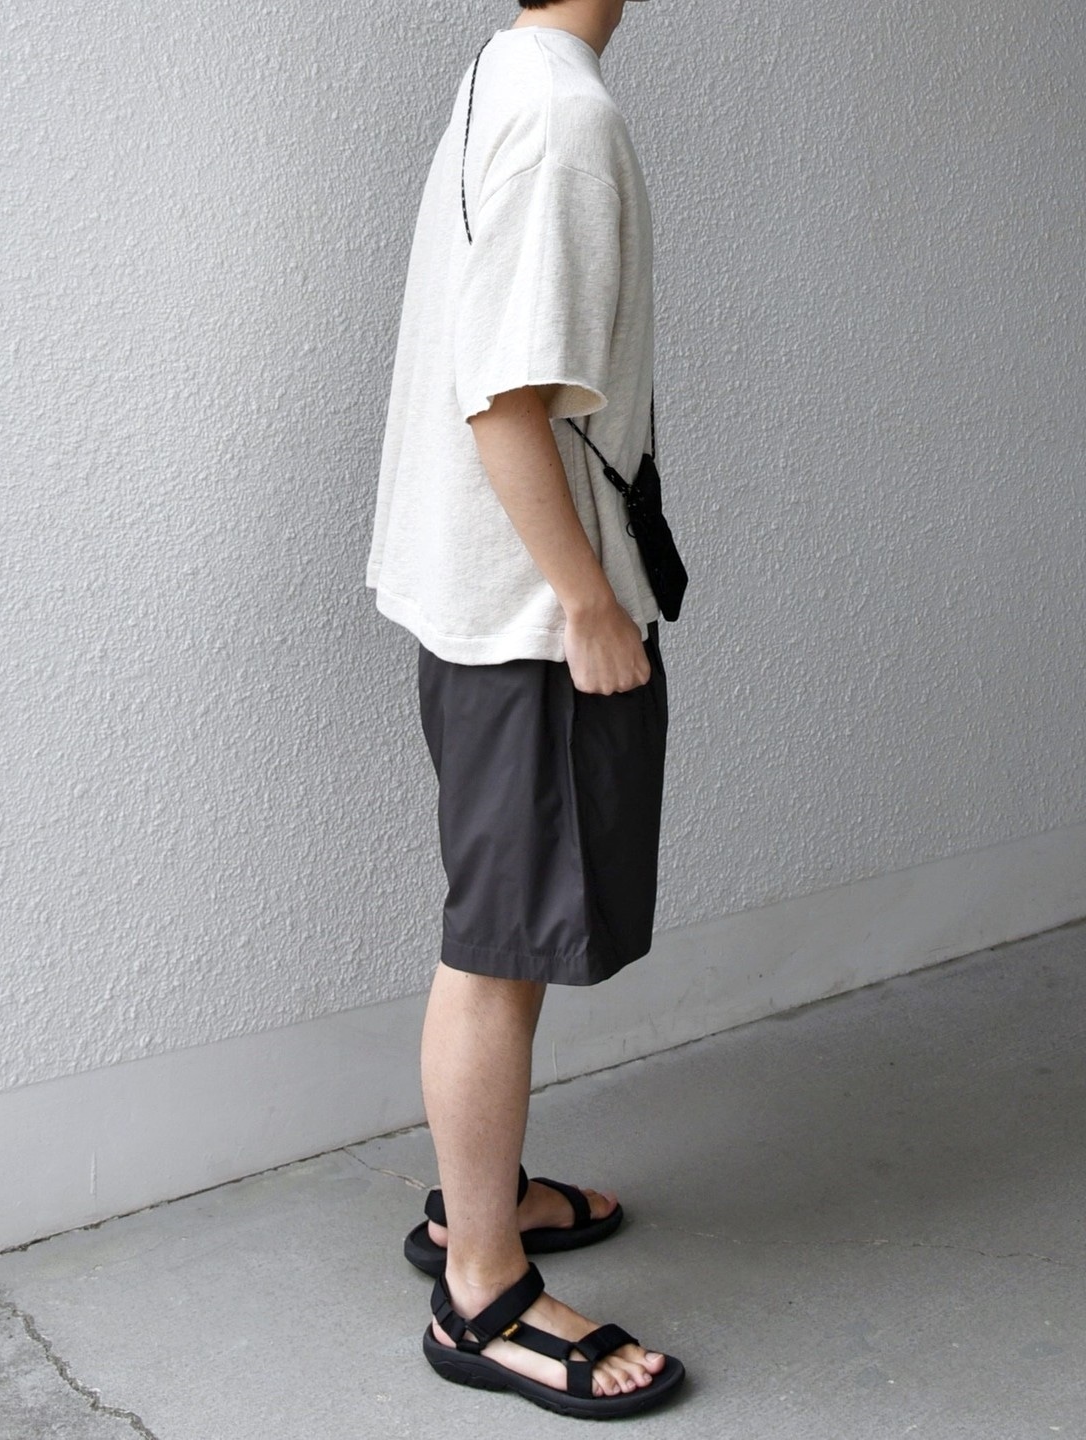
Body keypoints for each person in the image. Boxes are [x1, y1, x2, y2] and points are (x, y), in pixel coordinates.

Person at [366, 0, 685, 1418]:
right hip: (526, 618)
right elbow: (504, 401)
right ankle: (482, 1291)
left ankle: (475, 1200)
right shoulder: (563, 116)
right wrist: (589, 602)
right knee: (498, 949)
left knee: (511, 929)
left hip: (481, 594)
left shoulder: (508, 66)